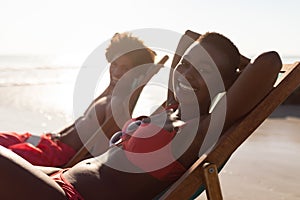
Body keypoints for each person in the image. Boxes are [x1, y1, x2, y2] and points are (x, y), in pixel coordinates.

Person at [0, 32, 282, 199]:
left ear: (226, 86)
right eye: (183, 65)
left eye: (204, 71)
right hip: (58, 179)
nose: (186, 74)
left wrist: (232, 68)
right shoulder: (168, 113)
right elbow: (187, 43)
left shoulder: (200, 129)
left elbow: (269, 62)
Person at [0, 32, 157, 167]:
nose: (116, 71)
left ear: (136, 72)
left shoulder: (118, 104)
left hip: (55, 154)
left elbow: (105, 151)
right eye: (114, 64)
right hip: (49, 140)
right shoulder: (110, 93)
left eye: (125, 68)